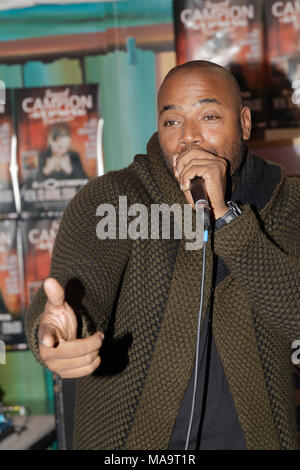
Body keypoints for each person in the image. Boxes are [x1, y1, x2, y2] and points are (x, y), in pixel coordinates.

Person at [25, 60, 300, 450]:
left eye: (208, 115)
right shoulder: (112, 199)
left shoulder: (287, 204)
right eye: (172, 122)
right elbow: (81, 284)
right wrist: (57, 327)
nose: (189, 137)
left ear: (244, 122)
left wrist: (228, 220)